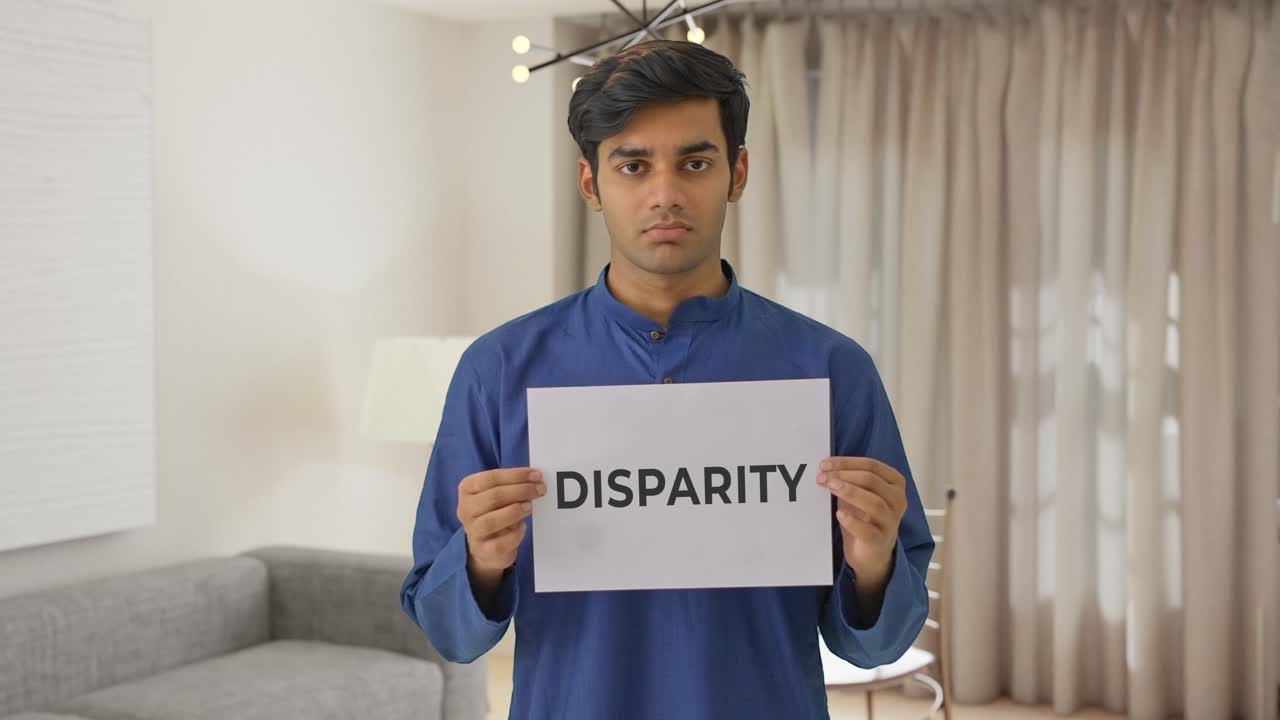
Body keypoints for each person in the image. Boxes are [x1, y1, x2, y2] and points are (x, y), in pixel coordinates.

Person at [400, 39, 933, 720]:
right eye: (633, 164)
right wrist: (479, 563)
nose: (665, 193)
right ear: (591, 183)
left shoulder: (831, 369)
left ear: (736, 173)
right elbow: (448, 632)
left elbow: (876, 645)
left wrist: (874, 564)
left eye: (695, 162)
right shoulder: (499, 370)